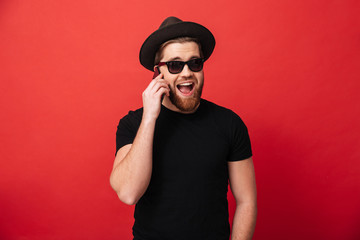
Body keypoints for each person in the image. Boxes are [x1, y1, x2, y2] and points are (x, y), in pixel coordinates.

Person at [110, 16, 257, 240]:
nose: (187, 72)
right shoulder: (132, 124)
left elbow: (247, 201)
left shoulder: (229, 123)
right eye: (175, 65)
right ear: (158, 73)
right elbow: (129, 193)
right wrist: (150, 116)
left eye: (195, 63)